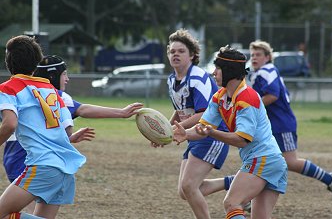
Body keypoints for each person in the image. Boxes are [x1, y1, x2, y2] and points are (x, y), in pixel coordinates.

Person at [2, 54, 144, 214]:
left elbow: (11, 123)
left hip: (29, 160)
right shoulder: (55, 94)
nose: (67, 79)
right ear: (52, 76)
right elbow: (79, 113)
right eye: (64, 74)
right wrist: (121, 112)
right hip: (44, 161)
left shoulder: (15, 90)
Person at [173, 45, 288, 219]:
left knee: (232, 203)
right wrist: (186, 134)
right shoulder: (220, 97)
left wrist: (212, 133)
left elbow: (242, 140)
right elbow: (203, 127)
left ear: (229, 71)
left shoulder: (246, 97)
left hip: (264, 159)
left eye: (217, 69)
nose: (213, 73)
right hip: (269, 161)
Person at [0, 35, 95, 219]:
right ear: (36, 63)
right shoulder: (52, 91)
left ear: (8, 61)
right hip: (65, 169)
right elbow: (66, 130)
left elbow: (10, 124)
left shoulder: (8, 88)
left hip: (43, 166)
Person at [248, 40, 332, 203]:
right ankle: (250, 197)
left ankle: (329, 179)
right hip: (271, 126)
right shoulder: (260, 73)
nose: (254, 58)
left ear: (268, 57)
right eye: (252, 55)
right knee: (263, 159)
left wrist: (250, 108)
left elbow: (273, 95)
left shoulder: (267, 70)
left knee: (289, 161)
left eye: (258, 55)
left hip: (281, 124)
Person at [158, 29, 229, 219]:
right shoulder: (172, 80)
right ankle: (233, 182)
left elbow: (203, 113)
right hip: (194, 135)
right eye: (172, 51)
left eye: (181, 51)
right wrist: (162, 132)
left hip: (212, 134)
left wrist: (175, 129)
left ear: (192, 55)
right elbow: (180, 111)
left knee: (189, 186)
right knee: (184, 191)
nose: (175, 54)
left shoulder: (197, 77)